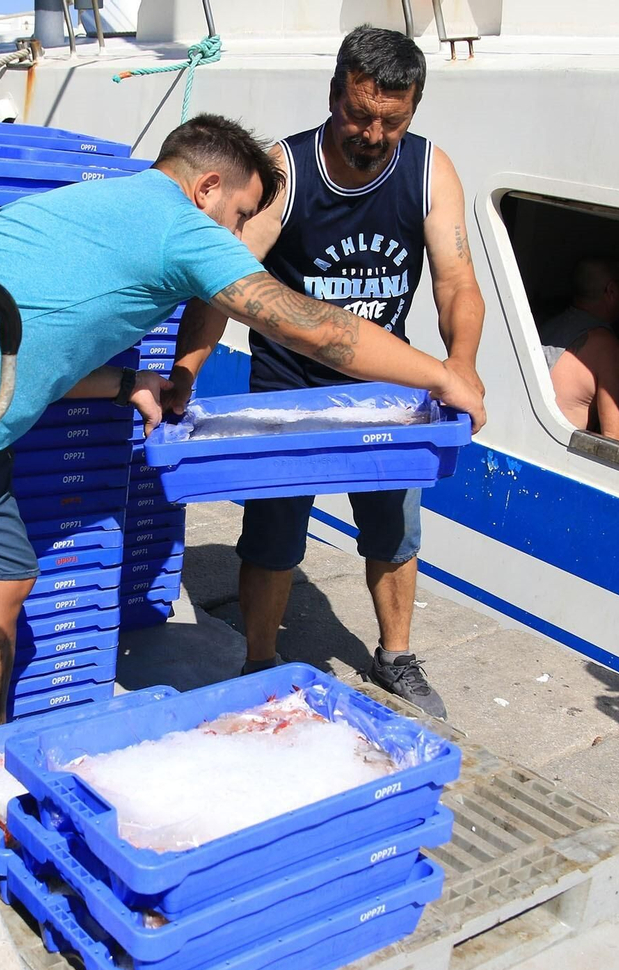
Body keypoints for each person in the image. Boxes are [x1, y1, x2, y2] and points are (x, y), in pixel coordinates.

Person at [0, 113, 486, 965]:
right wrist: (443, 371)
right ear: (207, 187)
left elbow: (45, 325)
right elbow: (302, 323)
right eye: (236, 217)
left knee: (4, 581)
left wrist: (131, 385)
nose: (235, 238)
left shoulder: (112, 210)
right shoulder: (176, 219)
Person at [167, 26, 487, 719]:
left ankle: (394, 654)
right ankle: (258, 659)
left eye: (391, 121)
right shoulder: (284, 171)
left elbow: (457, 280)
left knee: (395, 530)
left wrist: (460, 364)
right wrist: (184, 374)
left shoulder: (430, 170)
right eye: (358, 113)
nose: (372, 133)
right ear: (334, 93)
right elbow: (226, 285)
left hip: (385, 393)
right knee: (274, 533)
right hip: (289, 388)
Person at [540, 258, 619, 444]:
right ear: (612, 290)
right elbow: (615, 440)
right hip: (556, 460)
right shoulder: (608, 349)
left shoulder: (546, 327)